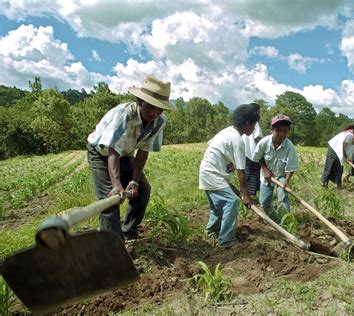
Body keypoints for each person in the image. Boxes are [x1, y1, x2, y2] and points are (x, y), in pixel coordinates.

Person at [87, 75, 177, 241]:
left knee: (143, 190)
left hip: (126, 154)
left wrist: (134, 182)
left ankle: (128, 232)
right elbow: (112, 150)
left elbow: (143, 150)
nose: (154, 113)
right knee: (110, 200)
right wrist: (116, 185)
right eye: (150, 107)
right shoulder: (125, 115)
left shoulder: (159, 121)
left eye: (159, 109)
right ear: (139, 102)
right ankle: (113, 246)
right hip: (102, 153)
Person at [199, 104, 259, 248]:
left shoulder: (227, 132)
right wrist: (246, 195)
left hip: (207, 172)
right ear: (247, 124)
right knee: (231, 202)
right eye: (254, 125)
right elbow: (241, 171)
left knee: (218, 207)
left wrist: (227, 163)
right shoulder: (237, 140)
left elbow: (213, 146)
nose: (254, 128)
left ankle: (212, 231)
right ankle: (226, 240)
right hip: (213, 175)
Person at [252, 115, 299, 221]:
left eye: (285, 131)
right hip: (266, 176)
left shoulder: (290, 147)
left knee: (283, 198)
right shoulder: (264, 142)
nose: (281, 134)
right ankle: (272, 218)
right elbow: (258, 157)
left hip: (282, 176)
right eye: (278, 130)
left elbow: (291, 167)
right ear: (271, 130)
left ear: (288, 132)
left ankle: (284, 220)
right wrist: (265, 169)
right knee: (264, 201)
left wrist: (286, 180)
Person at [321, 121, 354, 189]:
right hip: (335, 148)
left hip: (339, 149)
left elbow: (349, 147)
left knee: (338, 167)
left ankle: (337, 185)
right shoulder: (349, 135)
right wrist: (346, 157)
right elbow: (342, 146)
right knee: (332, 166)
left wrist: (349, 157)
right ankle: (325, 183)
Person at [241, 103, 263, 197]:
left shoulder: (244, 122)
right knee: (253, 175)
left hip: (245, 153)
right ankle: (248, 195)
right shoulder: (255, 123)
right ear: (256, 112)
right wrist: (265, 146)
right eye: (259, 111)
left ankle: (248, 194)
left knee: (248, 174)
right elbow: (257, 138)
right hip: (253, 153)